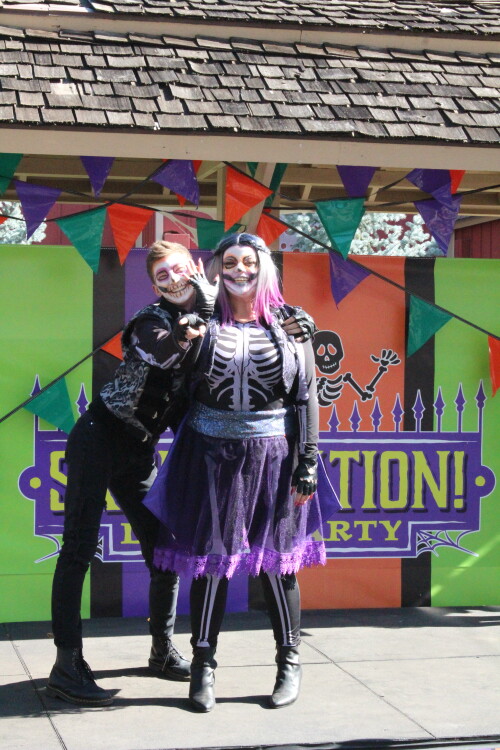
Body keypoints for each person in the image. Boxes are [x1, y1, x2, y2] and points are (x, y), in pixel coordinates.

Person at [47, 239, 316, 708]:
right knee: (77, 551)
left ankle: (161, 650)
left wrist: (302, 325)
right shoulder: (151, 320)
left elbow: (271, 368)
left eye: (178, 270)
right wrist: (190, 327)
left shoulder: (220, 318)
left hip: (139, 449)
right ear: (154, 287)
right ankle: (66, 665)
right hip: (100, 438)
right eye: (161, 277)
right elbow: (165, 353)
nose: (172, 281)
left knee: (166, 552)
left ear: (194, 268)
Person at [144, 233, 339, 713]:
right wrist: (187, 334)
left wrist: (308, 461)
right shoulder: (203, 322)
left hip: (276, 456)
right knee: (211, 564)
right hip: (210, 457)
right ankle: (203, 667)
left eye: (248, 262)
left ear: (263, 266)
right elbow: (174, 377)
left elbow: (306, 395)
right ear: (218, 268)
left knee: (278, 564)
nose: (239, 270)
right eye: (230, 262)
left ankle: (289, 662)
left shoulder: (290, 324)